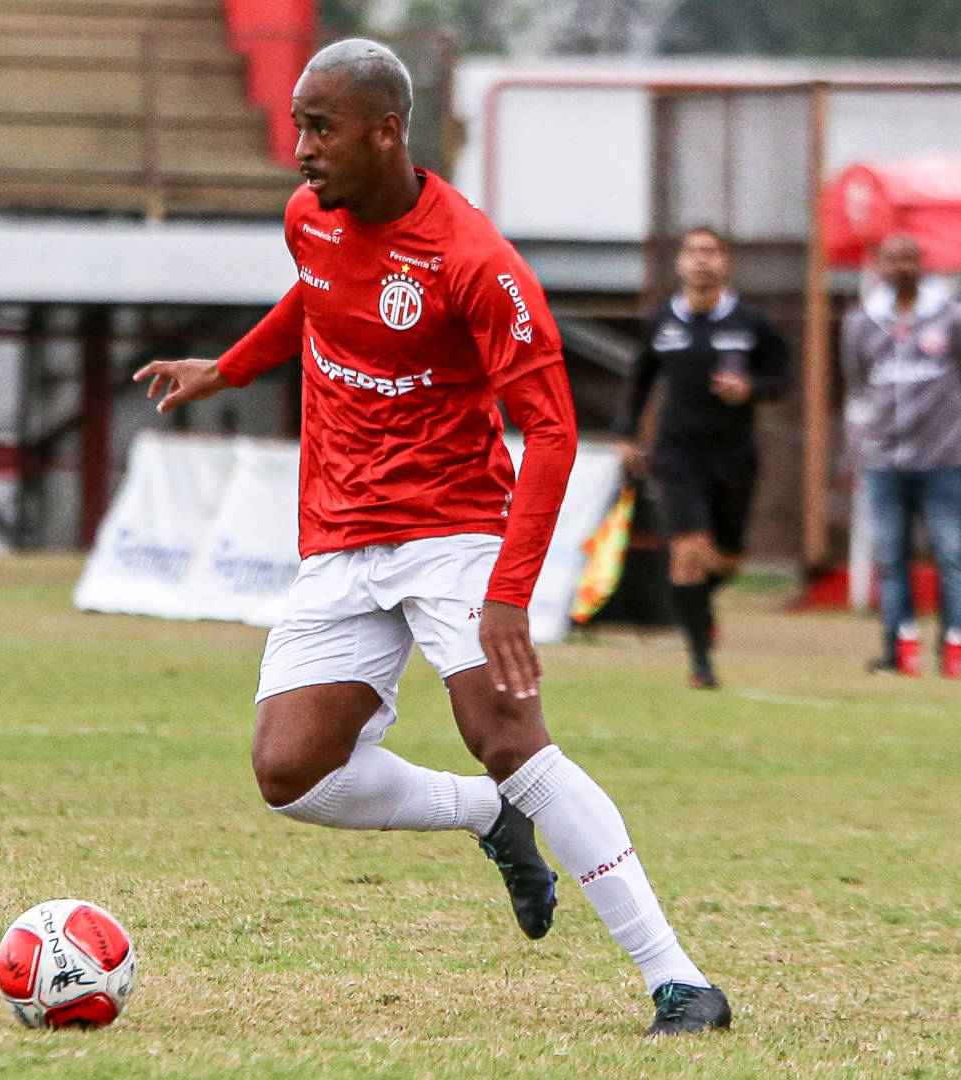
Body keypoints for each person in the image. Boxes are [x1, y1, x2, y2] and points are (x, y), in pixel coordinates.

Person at [134, 39, 729, 1036]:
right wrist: (226, 369)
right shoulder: (307, 219)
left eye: (319, 128)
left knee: (506, 735)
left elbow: (553, 430)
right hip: (338, 532)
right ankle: (487, 817)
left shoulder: (474, 261)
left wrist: (508, 590)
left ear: (385, 129)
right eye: (296, 126)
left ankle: (677, 979)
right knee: (291, 774)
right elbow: (317, 298)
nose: (300, 151)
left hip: (451, 532)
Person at [613, 227, 790, 689]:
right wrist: (627, 434)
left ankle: (700, 607)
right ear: (680, 263)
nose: (702, 260)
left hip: (733, 456)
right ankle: (700, 661)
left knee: (727, 559)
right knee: (687, 552)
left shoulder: (751, 323)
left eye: (711, 252)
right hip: (676, 454)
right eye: (693, 251)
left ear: (725, 262)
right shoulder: (661, 322)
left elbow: (781, 378)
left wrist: (750, 388)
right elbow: (639, 380)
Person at [841, 232, 961, 677]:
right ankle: (898, 650)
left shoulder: (949, 316)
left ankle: (954, 649)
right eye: (892, 260)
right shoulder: (860, 322)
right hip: (884, 462)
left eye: (910, 258)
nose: (902, 267)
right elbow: (856, 388)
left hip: (945, 459)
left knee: (953, 555)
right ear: (878, 266)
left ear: (922, 263)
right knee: (890, 557)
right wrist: (856, 451)